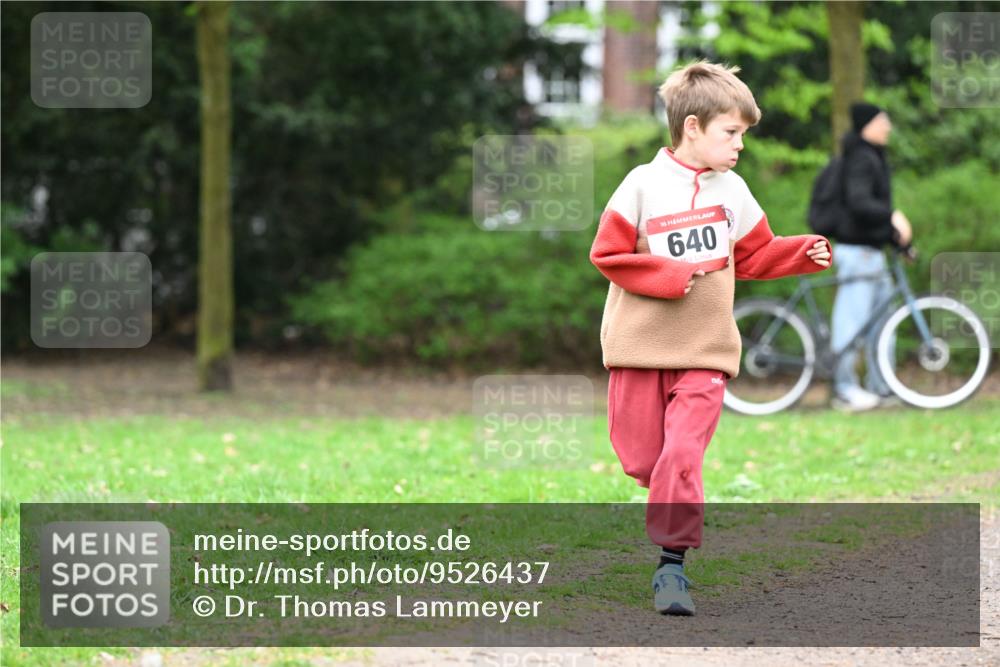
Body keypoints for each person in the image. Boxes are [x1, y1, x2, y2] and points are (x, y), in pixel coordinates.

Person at [589, 61, 832, 616]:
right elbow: (606, 255)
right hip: (637, 348)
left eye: (743, 135)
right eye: (732, 133)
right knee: (641, 458)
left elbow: (753, 253)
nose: (739, 145)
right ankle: (673, 492)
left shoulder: (734, 190)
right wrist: (670, 275)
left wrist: (799, 252)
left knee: (681, 453)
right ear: (692, 127)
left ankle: (671, 570)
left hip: (706, 352)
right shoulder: (641, 185)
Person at [829, 102, 913, 412]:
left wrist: (899, 243)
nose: (888, 126)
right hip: (858, 253)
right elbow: (860, 203)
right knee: (851, 323)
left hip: (872, 252)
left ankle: (882, 387)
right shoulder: (861, 157)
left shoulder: (870, 155)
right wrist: (893, 216)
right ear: (867, 125)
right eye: (883, 120)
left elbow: (869, 212)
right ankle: (845, 390)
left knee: (885, 323)